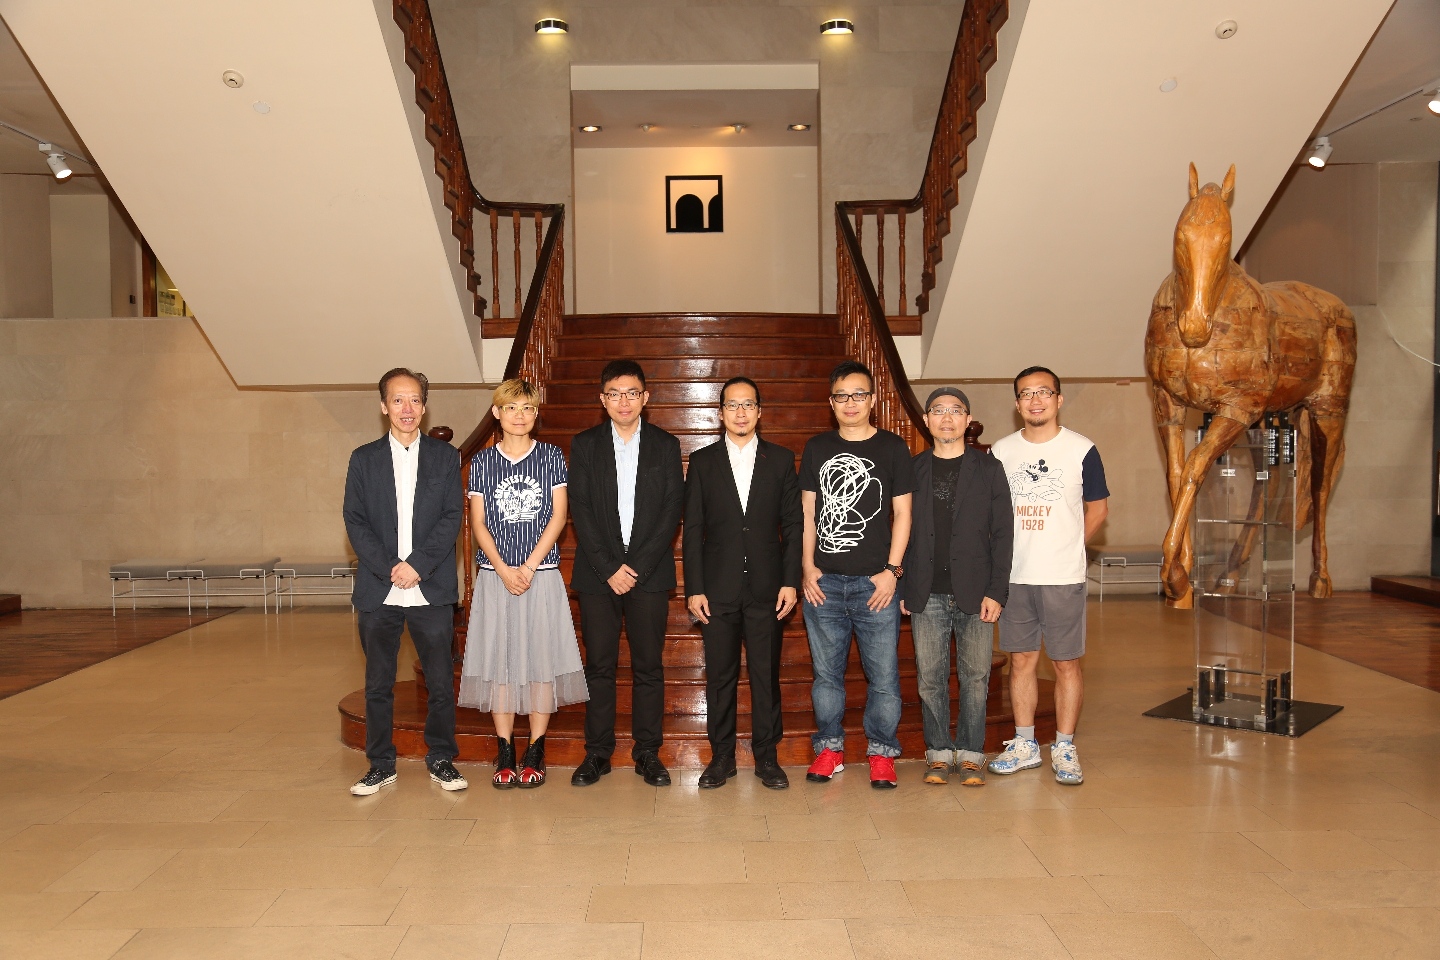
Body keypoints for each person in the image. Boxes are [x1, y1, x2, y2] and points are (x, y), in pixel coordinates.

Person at [342, 367, 467, 796]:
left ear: (424, 406)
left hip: (430, 587)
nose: (407, 408)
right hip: (380, 589)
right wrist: (390, 567)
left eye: (414, 399)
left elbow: (452, 516)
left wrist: (416, 565)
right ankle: (380, 763)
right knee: (378, 684)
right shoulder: (363, 459)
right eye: (398, 400)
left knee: (440, 683)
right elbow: (355, 520)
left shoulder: (445, 457)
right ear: (384, 407)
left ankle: (441, 758)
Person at [459, 379, 588, 789]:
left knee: (539, 662)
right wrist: (501, 568)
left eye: (528, 408)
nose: (520, 415)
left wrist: (529, 567)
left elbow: (559, 516)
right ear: (496, 413)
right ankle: (504, 750)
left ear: (536, 414)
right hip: (495, 577)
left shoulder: (551, 456)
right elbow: (478, 523)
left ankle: (535, 748)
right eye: (511, 408)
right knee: (500, 662)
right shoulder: (482, 462)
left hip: (541, 575)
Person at [988, 366, 1109, 785]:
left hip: (1062, 577)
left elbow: (1098, 510)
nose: (1035, 400)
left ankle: (1064, 746)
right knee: (1021, 660)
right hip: (1014, 576)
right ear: (1017, 403)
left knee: (1065, 664)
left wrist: (1071, 546)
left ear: (1058, 399)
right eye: (1026, 393)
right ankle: (1025, 744)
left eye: (1043, 392)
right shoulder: (1001, 451)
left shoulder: (1082, 449)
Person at [567, 360, 684, 787]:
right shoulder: (585, 445)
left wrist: (635, 567)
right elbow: (580, 509)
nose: (623, 401)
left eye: (631, 393)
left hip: (648, 575)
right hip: (597, 575)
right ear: (603, 400)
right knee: (599, 666)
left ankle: (647, 752)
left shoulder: (665, 445)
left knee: (648, 666)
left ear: (645, 398)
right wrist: (609, 568)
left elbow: (671, 510)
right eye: (614, 393)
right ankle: (597, 753)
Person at [799, 360, 914, 789]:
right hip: (825, 584)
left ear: (872, 400)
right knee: (826, 677)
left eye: (859, 394)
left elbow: (903, 514)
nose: (851, 403)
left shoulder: (893, 448)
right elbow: (808, 513)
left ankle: (881, 753)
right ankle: (829, 750)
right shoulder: (817, 447)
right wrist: (807, 566)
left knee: (883, 678)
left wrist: (892, 571)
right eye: (842, 396)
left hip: (875, 585)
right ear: (831, 402)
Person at [684, 377, 802, 790]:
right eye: (732, 405)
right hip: (717, 590)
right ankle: (722, 758)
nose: (740, 412)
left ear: (759, 411)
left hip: (769, 589)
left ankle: (767, 757)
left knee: (766, 675)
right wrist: (694, 588)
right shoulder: (702, 462)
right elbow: (693, 529)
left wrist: (790, 581)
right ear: (720, 413)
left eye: (748, 404)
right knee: (720, 677)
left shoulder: (781, 460)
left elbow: (793, 524)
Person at [900, 387, 1013, 787]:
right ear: (926, 420)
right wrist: (903, 586)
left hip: (977, 592)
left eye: (955, 411)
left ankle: (970, 753)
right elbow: (900, 530)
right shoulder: (912, 469)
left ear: (967, 420)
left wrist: (997, 591)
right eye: (938, 411)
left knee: (976, 677)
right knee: (929, 678)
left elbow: (1003, 533)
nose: (946, 418)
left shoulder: (989, 468)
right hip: (925, 591)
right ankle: (937, 753)